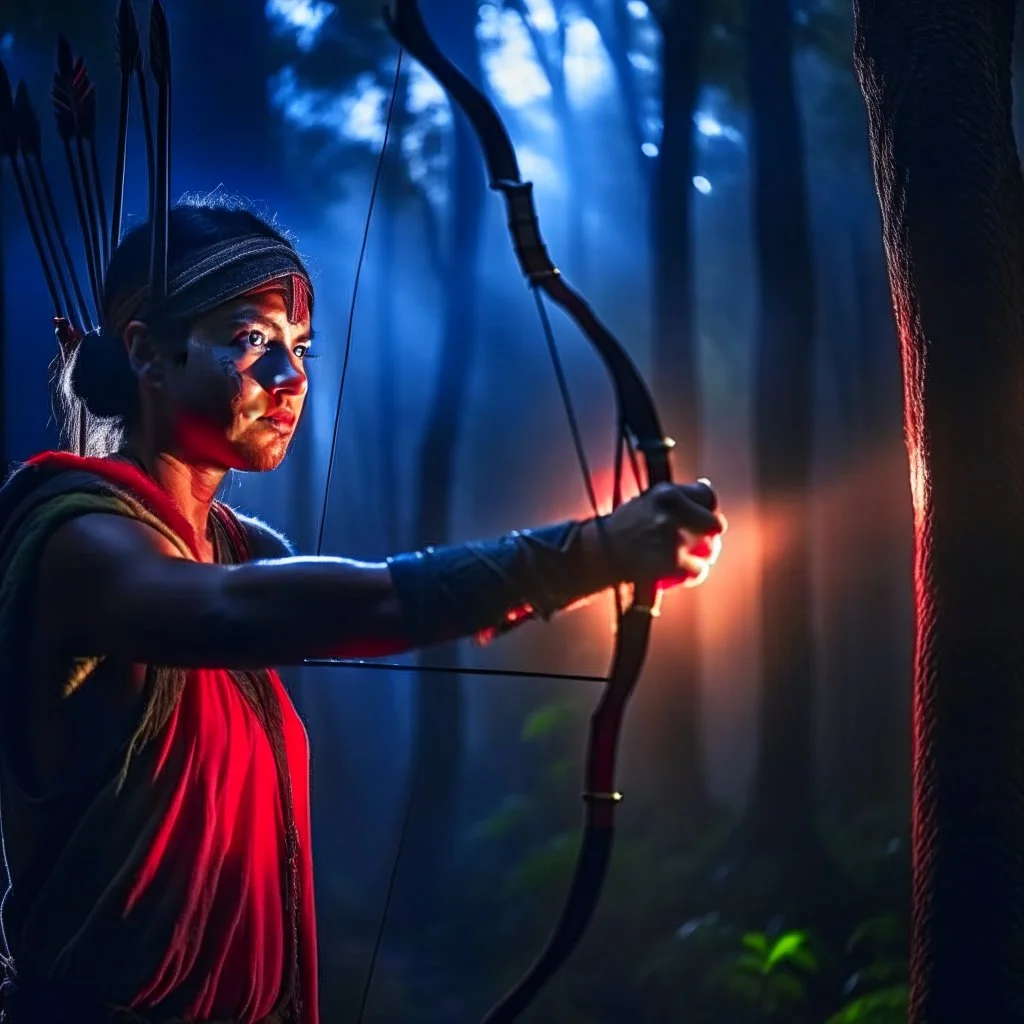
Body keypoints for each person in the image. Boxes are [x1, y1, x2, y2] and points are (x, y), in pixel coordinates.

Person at [0, 198, 726, 1024]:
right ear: (146, 356)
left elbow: (363, 595)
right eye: (253, 341)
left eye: (300, 348)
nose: (292, 377)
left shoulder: (231, 547)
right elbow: (276, 608)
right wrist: (585, 553)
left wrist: (582, 570)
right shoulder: (82, 541)